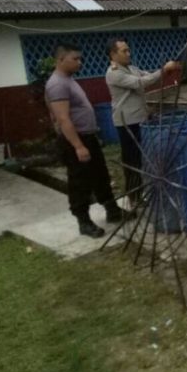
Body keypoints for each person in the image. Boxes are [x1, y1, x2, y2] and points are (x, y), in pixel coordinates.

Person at [45, 43, 123, 238]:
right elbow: (62, 118)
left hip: (88, 137)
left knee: (100, 175)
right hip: (76, 140)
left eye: (80, 58)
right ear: (61, 59)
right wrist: (78, 145)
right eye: (75, 59)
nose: (79, 62)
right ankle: (84, 222)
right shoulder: (57, 84)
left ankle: (112, 210)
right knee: (80, 182)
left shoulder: (68, 79)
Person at [105, 38, 180, 207]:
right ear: (113, 54)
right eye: (124, 51)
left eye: (128, 50)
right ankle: (134, 196)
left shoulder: (130, 68)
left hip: (139, 119)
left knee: (141, 158)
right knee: (131, 161)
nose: (128, 53)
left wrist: (165, 71)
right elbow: (141, 82)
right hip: (127, 122)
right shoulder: (114, 73)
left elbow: (147, 76)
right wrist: (164, 70)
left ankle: (140, 194)